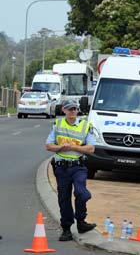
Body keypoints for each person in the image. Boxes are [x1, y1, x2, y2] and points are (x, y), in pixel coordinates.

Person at [45, 99, 96, 241]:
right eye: (70, 109)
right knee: (64, 198)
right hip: (61, 168)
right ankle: (66, 229)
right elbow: (48, 145)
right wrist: (61, 147)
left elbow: (91, 148)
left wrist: (73, 147)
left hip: (78, 166)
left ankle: (81, 221)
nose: (73, 111)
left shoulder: (85, 126)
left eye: (75, 108)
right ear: (64, 111)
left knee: (82, 194)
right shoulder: (58, 124)